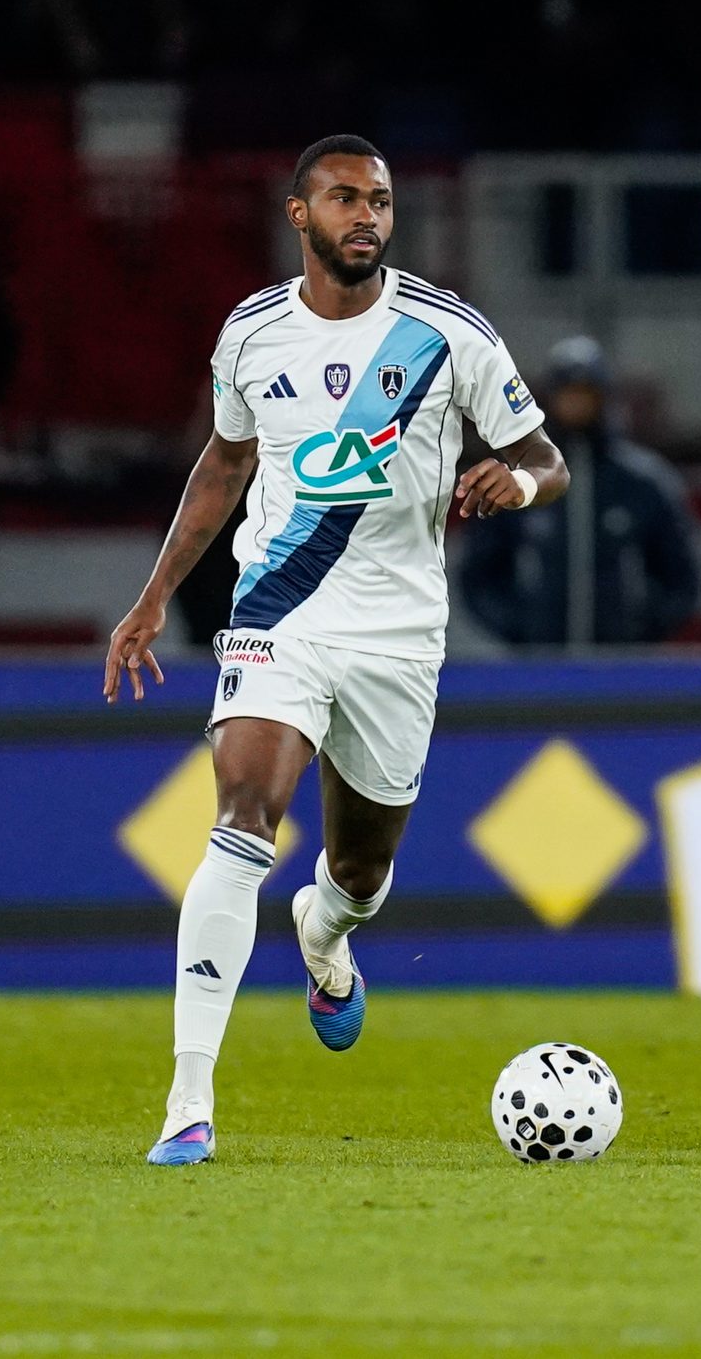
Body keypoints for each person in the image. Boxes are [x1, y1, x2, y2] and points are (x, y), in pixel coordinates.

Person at [102, 133, 569, 1166]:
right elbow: (223, 466)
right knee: (241, 818)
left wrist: (519, 482)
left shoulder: (447, 334)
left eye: (381, 201)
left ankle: (324, 934)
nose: (367, 216)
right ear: (299, 214)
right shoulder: (251, 334)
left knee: (359, 871)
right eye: (346, 199)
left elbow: (548, 460)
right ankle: (187, 1102)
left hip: (398, 635)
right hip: (279, 615)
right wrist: (152, 597)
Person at [458, 336, 701, 647]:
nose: (576, 404)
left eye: (586, 394)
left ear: (605, 399)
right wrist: (522, 629)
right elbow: (478, 576)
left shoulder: (643, 482)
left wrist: (639, 631)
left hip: (621, 664)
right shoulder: (519, 480)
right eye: (568, 393)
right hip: (540, 663)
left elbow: (682, 578)